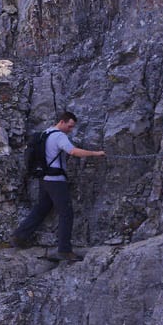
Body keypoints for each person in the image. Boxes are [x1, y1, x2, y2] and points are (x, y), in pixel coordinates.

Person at [11, 111, 105, 261]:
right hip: (56, 180)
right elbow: (73, 151)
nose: (70, 130)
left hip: (45, 179)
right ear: (62, 122)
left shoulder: (45, 133)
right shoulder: (59, 136)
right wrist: (95, 153)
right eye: (69, 126)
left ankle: (19, 236)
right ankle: (64, 250)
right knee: (66, 213)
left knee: (41, 209)